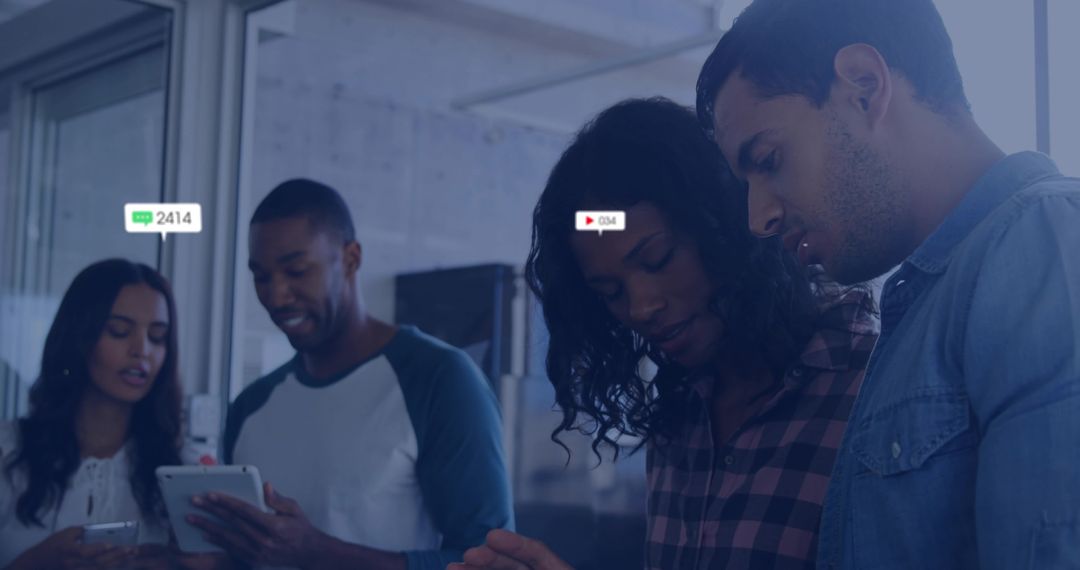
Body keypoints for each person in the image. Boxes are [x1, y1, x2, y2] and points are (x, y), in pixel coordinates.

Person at [695, 0, 1080, 567]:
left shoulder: (1042, 241)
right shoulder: (927, 301)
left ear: (864, 87)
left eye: (769, 159)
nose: (758, 219)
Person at [453, 98, 877, 570]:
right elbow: (593, 227)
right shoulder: (681, 416)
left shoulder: (872, 386)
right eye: (610, 292)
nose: (640, 308)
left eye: (658, 260)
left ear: (726, 230)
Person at [190, 179, 513, 570]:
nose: (276, 296)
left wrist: (319, 553)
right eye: (261, 276)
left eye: (296, 271)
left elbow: (493, 564)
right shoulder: (250, 407)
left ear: (350, 258)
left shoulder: (439, 380)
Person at [0, 259, 184, 569]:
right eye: (119, 331)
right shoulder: (8, 451)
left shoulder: (179, 469)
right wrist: (35, 563)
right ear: (79, 337)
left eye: (157, 336)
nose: (142, 350)